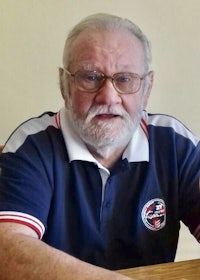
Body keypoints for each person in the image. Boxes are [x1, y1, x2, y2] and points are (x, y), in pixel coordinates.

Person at [0, 13, 199, 280]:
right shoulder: (31, 145)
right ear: (64, 85)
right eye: (90, 77)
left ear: (147, 87)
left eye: (125, 79)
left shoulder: (174, 143)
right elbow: (7, 250)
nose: (108, 96)